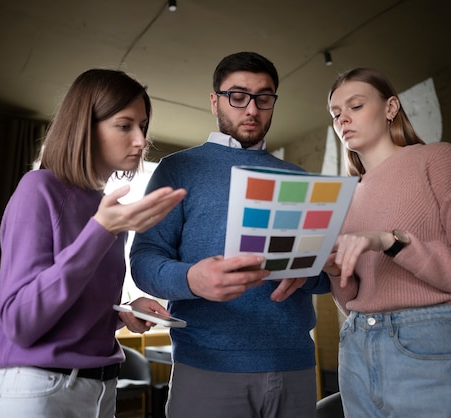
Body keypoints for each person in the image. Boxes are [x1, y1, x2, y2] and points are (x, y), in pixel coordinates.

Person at [0, 69, 186, 418]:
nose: (140, 140)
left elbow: (67, 303)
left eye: (143, 126)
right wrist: (100, 231)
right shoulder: (38, 189)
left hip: (100, 391)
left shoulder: (104, 208)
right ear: (85, 126)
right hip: (37, 392)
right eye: (124, 125)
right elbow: (20, 323)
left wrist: (124, 313)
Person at [130, 51, 331, 418]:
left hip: (296, 365)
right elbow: (144, 261)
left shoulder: (300, 178)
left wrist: (311, 273)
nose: (251, 109)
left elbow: (322, 278)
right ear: (215, 101)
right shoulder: (178, 168)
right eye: (237, 97)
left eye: (264, 98)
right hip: (206, 366)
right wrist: (191, 279)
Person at [324, 67, 451, 417]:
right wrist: (337, 271)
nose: (343, 119)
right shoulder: (346, 197)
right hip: (354, 350)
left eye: (355, 106)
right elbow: (352, 303)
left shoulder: (437, 160)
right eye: (336, 114)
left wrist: (393, 242)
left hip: (427, 343)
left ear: (390, 107)